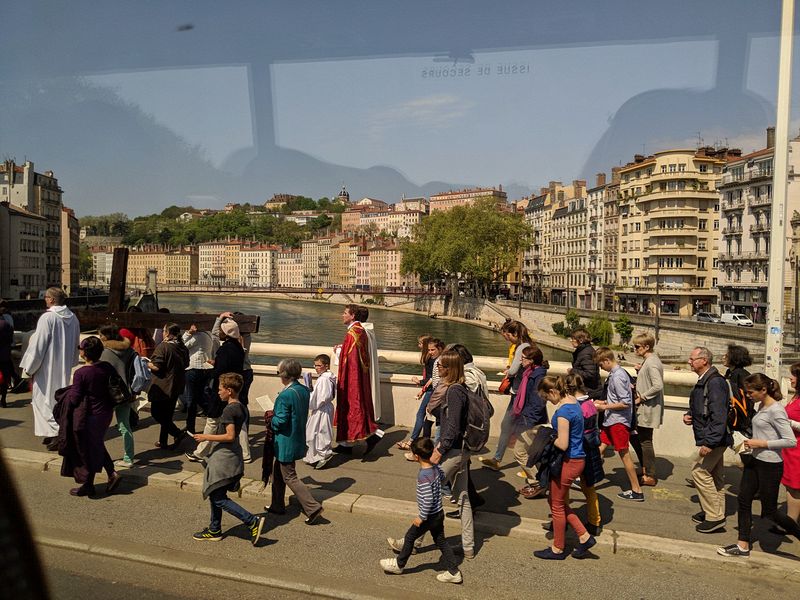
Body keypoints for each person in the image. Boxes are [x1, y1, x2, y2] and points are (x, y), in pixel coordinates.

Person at [717, 373, 800, 557]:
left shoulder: (776, 410)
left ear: (763, 390)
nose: (748, 395)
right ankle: (742, 545)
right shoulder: (761, 405)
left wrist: (761, 444)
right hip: (754, 461)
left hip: (770, 465)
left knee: (770, 511)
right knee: (744, 499)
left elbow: (790, 441)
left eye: (750, 392)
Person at [192, 373, 265, 545]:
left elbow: (230, 436)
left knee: (218, 497)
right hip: (232, 456)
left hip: (224, 459)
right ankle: (214, 528)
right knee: (216, 493)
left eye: (220, 389)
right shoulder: (241, 406)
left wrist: (205, 437)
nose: (218, 393)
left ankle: (251, 520)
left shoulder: (228, 410)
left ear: (229, 391)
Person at [379, 437, 462, 584]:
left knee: (410, 537)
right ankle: (453, 571)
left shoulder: (424, 476)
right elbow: (442, 477)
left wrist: (421, 517)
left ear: (416, 457)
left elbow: (428, 499)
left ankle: (399, 564)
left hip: (429, 516)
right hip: (438, 513)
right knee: (441, 541)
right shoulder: (435, 469)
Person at [533, 375, 596, 559]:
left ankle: (558, 548)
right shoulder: (573, 402)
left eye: (547, 397)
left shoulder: (563, 413)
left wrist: (546, 436)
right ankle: (584, 537)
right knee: (556, 501)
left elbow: (562, 443)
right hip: (577, 460)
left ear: (553, 392)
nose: (547, 402)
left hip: (568, 461)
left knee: (557, 505)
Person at [57, 336, 122, 497]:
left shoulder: (82, 373)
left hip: (90, 415)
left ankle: (107, 475)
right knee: (95, 445)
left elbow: (74, 398)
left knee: (88, 448)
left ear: (85, 352)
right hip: (105, 412)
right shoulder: (106, 366)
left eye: (81, 348)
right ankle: (92, 483)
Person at [265, 359, 324, 525]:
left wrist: (271, 417)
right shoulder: (303, 389)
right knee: (278, 472)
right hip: (297, 436)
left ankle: (313, 508)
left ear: (284, 375)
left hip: (285, 441)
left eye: (279, 373)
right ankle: (277, 504)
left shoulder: (285, 395)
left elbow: (281, 421)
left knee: (289, 476)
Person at [20, 287, 80, 446]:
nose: (45, 299)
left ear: (52, 300)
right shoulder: (73, 318)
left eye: (46, 297)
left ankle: (57, 434)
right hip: (63, 365)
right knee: (58, 400)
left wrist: (29, 367)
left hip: (46, 367)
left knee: (44, 400)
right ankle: (54, 432)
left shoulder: (47, 318)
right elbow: (76, 344)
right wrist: (71, 361)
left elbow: (38, 346)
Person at [430, 350, 475, 559]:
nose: (437, 369)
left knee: (429, 494)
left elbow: (453, 426)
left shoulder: (455, 391)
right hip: (461, 450)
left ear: (449, 369)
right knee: (463, 498)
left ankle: (411, 541)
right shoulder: (459, 388)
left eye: (440, 367)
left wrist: (439, 450)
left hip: (453, 450)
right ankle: (468, 547)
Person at [684, 346, 732, 533]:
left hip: (715, 439)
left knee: (699, 472)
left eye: (692, 358)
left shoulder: (714, 382)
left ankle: (715, 516)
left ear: (704, 361)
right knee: (715, 476)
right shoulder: (707, 380)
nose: (689, 362)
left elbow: (718, 415)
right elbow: (703, 406)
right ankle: (713, 511)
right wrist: (689, 415)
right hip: (715, 436)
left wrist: (709, 443)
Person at [190, 316, 245, 461]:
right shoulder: (239, 348)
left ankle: (200, 452)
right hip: (232, 387)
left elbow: (220, 370)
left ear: (226, 333)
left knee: (212, 420)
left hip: (222, 388)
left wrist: (212, 368)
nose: (219, 332)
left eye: (221, 330)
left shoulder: (225, 349)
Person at [479, 320, 532, 471]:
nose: (506, 338)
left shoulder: (522, 347)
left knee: (517, 427)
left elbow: (514, 370)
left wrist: (508, 372)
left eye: (508, 335)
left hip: (520, 394)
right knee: (511, 426)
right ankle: (498, 459)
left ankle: (534, 468)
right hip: (522, 392)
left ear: (514, 334)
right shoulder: (528, 344)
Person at [594, 346, 643, 501]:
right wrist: (604, 402)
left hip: (617, 422)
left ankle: (637, 490)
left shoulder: (617, 376)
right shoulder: (619, 374)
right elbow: (619, 399)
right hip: (612, 420)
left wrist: (604, 406)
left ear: (607, 360)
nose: (601, 369)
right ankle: (584, 478)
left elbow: (626, 403)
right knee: (599, 448)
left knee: (624, 454)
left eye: (601, 365)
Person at [333, 304, 382, 455]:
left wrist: (339, 351)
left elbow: (350, 359)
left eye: (345, 313)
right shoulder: (361, 331)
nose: (342, 315)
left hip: (352, 378)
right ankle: (346, 444)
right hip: (360, 376)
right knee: (356, 408)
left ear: (352, 316)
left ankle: (370, 437)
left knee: (352, 408)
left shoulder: (353, 333)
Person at [512, 345, 550, 499]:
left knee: (519, 452)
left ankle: (538, 482)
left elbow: (538, 402)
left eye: (524, 358)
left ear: (532, 360)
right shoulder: (531, 373)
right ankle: (538, 481)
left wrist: (526, 420)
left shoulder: (537, 377)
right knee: (533, 453)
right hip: (529, 418)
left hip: (531, 421)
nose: (520, 360)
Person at [98, 325, 138, 467]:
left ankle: (99, 456)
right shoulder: (130, 350)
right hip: (126, 393)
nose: (100, 337)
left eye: (101, 335)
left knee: (100, 427)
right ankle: (129, 458)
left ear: (106, 337)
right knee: (125, 426)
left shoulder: (104, 353)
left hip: (109, 395)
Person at [148, 323, 190, 451]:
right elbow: (186, 364)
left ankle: (177, 433)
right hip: (177, 384)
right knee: (167, 415)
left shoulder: (163, 347)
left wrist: (147, 364)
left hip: (163, 385)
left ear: (167, 333)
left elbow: (157, 366)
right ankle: (163, 441)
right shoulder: (182, 347)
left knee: (157, 413)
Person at [630, 333, 664, 487]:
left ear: (646, 347)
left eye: (637, 346)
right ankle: (646, 469)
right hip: (646, 407)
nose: (635, 349)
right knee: (641, 439)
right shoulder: (649, 361)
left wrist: (641, 397)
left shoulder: (651, 363)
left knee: (645, 441)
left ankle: (649, 474)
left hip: (647, 407)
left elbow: (658, 385)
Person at [397, 334, 433, 451]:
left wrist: (420, 382)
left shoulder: (430, 360)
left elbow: (432, 378)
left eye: (420, 344)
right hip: (430, 390)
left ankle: (412, 441)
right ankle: (425, 443)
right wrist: (422, 390)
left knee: (421, 414)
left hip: (431, 390)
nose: (418, 346)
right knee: (428, 419)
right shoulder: (430, 358)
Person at [304, 354, 336, 469]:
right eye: (315, 365)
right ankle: (314, 456)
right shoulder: (328, 377)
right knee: (313, 432)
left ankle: (323, 455)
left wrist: (309, 394)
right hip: (323, 408)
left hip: (322, 409)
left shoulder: (324, 379)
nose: (316, 368)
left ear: (326, 366)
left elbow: (320, 398)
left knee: (321, 432)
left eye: (319, 365)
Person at [182, 322, 214, 434]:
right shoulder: (209, 334)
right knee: (200, 396)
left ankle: (190, 428)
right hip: (206, 368)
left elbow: (182, 345)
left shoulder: (198, 336)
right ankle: (212, 413)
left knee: (191, 400)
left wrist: (187, 333)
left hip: (194, 368)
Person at [781, 362, 800, 534]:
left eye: (793, 375)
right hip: (790, 447)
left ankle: (791, 524)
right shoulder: (795, 396)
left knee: (794, 487)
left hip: (797, 450)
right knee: (791, 486)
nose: (790, 378)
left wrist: (788, 423)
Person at [568, 328, 602, 399]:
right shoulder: (583, 351)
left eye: (573, 339)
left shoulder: (586, 353)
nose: (571, 341)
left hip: (590, 392)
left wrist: (572, 371)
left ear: (580, 340)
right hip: (588, 391)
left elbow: (590, 374)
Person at [0, 312, 12, 408]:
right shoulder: (6, 324)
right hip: (5, 355)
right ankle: (3, 399)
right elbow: (11, 340)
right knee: (4, 378)